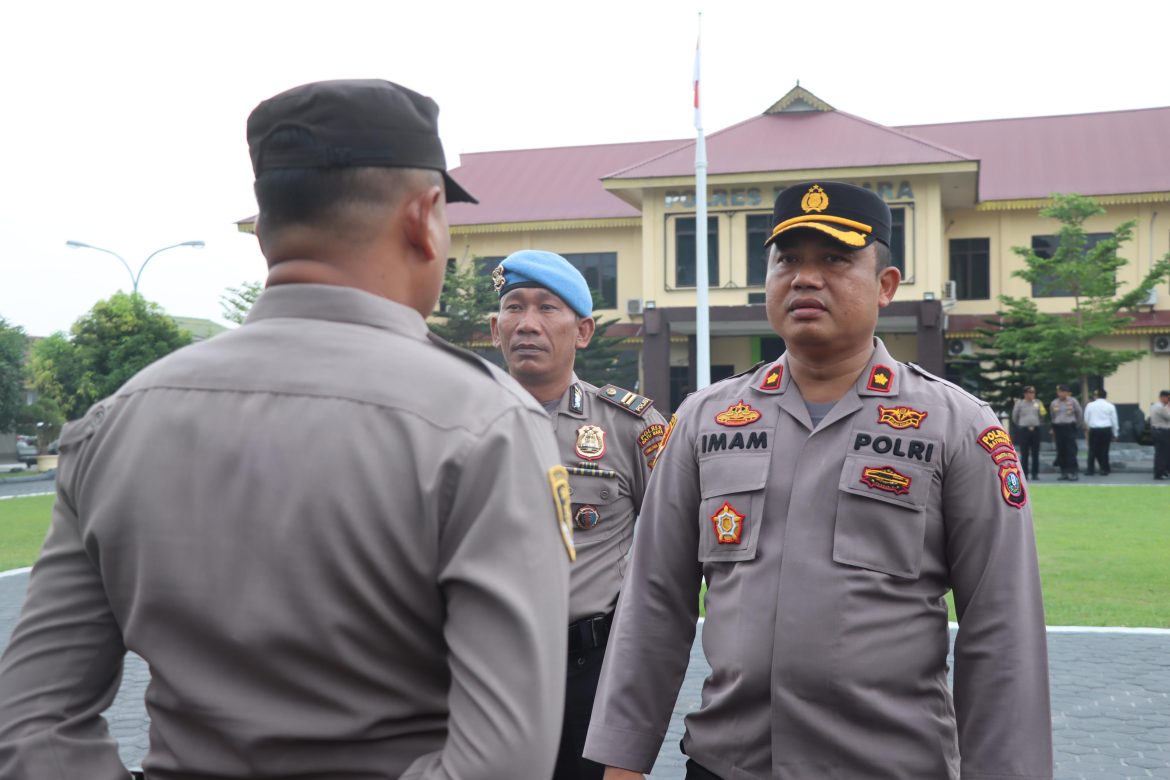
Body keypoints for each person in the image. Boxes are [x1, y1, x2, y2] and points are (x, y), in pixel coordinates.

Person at [0, 79, 573, 780]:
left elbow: (31, 721)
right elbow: (504, 762)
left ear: (267, 227)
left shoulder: (118, 421)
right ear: (424, 218)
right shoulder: (484, 425)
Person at [584, 181, 1052, 779]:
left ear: (886, 285)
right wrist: (623, 759)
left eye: (835, 259)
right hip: (730, 765)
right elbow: (654, 602)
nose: (806, 278)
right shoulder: (706, 417)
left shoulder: (956, 424)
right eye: (788, 260)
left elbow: (1002, 626)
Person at [489, 250, 667, 780]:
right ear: (495, 329)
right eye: (514, 308)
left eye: (547, 308)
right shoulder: (455, 421)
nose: (527, 323)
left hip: (591, 672)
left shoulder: (631, 428)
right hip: (484, 670)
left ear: (583, 330)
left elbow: (675, 559)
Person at [1050, 384, 1085, 480]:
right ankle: (1064, 472)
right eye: (1059, 392)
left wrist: (1075, 425)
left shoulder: (1073, 401)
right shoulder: (1054, 403)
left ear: (1067, 393)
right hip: (1058, 427)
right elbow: (1052, 415)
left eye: (1062, 391)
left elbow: (1079, 414)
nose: (1060, 394)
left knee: (1071, 450)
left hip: (1069, 427)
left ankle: (1073, 472)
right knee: (1061, 450)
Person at [1012, 385, 1047, 480]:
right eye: (1030, 392)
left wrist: (1038, 423)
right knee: (1025, 453)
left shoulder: (1038, 402)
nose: (1032, 394)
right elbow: (1015, 417)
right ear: (1025, 393)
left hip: (1035, 429)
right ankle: (1025, 474)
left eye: (1033, 392)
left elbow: (1043, 415)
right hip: (1024, 430)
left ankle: (1035, 474)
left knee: (1035, 452)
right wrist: (1021, 424)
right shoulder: (1020, 403)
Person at [1083, 389, 1119, 476]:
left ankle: (1090, 469)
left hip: (1094, 429)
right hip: (1106, 429)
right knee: (1104, 450)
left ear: (1096, 396)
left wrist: (1088, 428)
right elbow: (1114, 420)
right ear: (1106, 396)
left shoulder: (1090, 405)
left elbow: (1086, 419)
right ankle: (1104, 469)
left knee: (1092, 450)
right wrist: (1115, 433)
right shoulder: (1110, 406)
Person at [1152, 390, 1170, 480]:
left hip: (1158, 431)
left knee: (1162, 453)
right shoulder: (1160, 407)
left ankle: (1163, 471)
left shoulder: (1156, 405)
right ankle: (1159, 473)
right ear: (1163, 397)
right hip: (1162, 432)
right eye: (1168, 398)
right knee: (1162, 454)